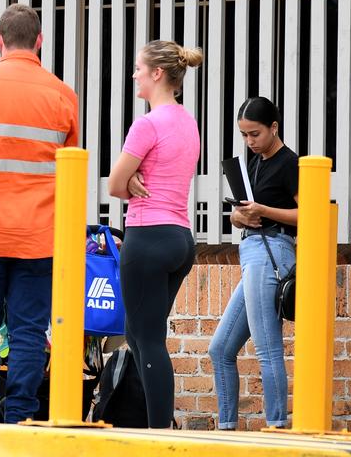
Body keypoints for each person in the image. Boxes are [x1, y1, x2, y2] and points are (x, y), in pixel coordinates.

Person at [0, 3, 79, 424]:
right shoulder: (63, 95)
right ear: (39, 41)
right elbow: (69, 163)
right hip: (38, 234)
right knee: (27, 330)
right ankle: (22, 415)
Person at [107, 40, 204, 429]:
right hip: (181, 238)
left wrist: (129, 179)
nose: (135, 75)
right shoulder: (187, 121)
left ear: (157, 74)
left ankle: (159, 432)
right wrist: (133, 178)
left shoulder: (147, 124)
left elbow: (114, 185)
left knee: (148, 339)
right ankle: (152, 419)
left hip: (148, 236)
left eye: (138, 69)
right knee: (138, 330)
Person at [208, 97, 298, 430]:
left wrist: (263, 211)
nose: (250, 141)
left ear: (274, 127)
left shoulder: (290, 163)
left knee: (267, 347)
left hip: (274, 250)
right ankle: (227, 427)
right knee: (219, 349)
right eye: (245, 135)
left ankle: (276, 426)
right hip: (252, 251)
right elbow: (244, 213)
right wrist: (240, 216)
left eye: (255, 134)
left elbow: (308, 215)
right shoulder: (254, 162)